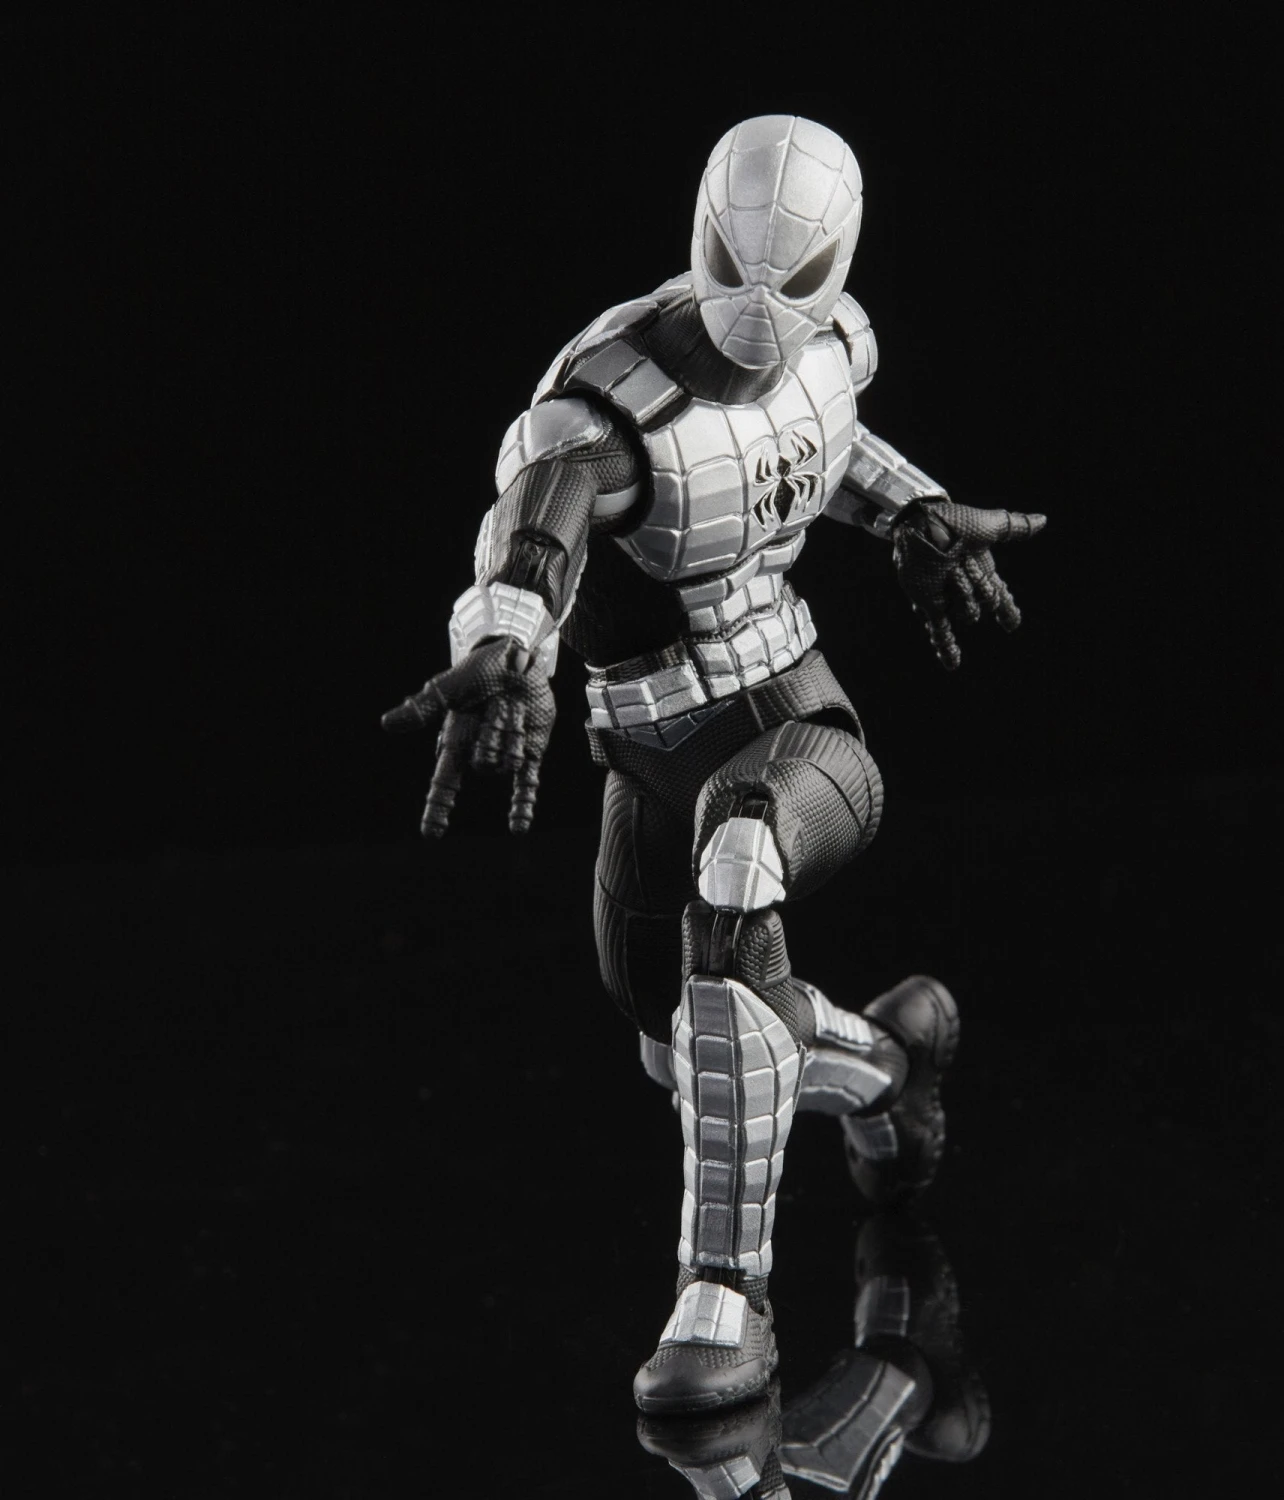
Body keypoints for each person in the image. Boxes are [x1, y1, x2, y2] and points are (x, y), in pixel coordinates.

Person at [384, 115, 1045, 1413]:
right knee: (680, 1035)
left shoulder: (834, 345)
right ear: (699, 231)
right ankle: (890, 1068)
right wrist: (506, 639)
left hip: (794, 720)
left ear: (838, 264)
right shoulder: (608, 407)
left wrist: (910, 511)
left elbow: (818, 446)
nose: (759, 309)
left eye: (794, 280)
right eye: (736, 266)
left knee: (738, 869)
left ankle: (723, 1302)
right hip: (644, 751)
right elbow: (540, 521)